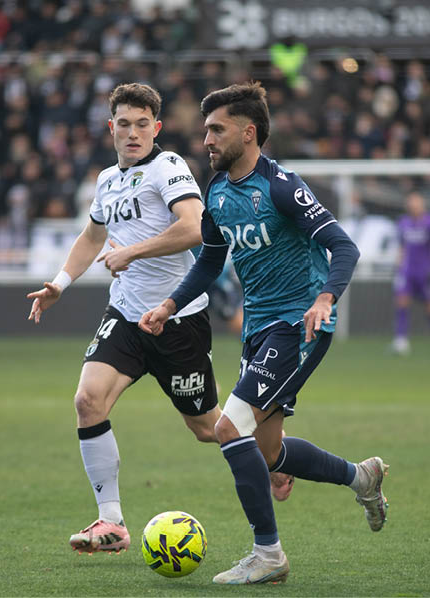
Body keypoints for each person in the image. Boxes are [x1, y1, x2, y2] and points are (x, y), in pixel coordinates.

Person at [25, 83, 291, 557]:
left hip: (176, 320)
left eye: (142, 124)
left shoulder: (168, 168)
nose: (132, 133)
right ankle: (112, 524)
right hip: (126, 314)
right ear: (111, 128)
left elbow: (193, 228)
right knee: (88, 401)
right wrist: (59, 285)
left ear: (157, 128)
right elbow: (92, 236)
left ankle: (273, 455)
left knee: (208, 428)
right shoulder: (107, 179)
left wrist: (133, 251)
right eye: (123, 124)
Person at [140, 82, 386, 585]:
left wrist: (325, 299)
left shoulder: (282, 186)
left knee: (228, 429)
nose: (206, 139)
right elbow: (209, 261)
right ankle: (361, 476)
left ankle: (268, 554)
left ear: (248, 133)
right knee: (269, 451)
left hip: (299, 325)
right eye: (206, 129)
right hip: (258, 330)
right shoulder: (219, 191)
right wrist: (169, 304)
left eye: (216, 129)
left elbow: (345, 247)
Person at [391, 191, 430, 355]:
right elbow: (401, 247)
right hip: (407, 271)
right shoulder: (403, 223)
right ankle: (401, 340)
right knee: (402, 302)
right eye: (411, 202)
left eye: (416, 202)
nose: (413, 206)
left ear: (422, 204)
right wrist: (398, 266)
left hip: (424, 271)